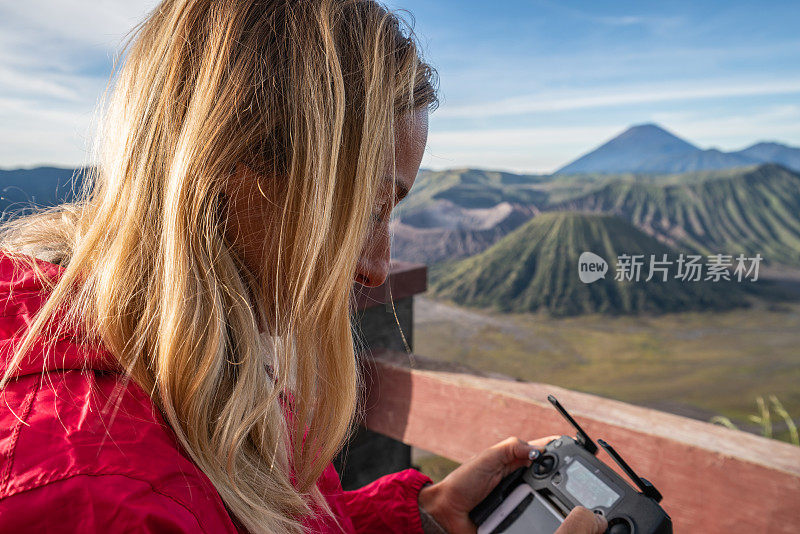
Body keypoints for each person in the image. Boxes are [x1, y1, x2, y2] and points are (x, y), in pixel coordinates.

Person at [0, 1, 607, 533]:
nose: (376, 269)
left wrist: (418, 519)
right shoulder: (100, 498)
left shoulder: (199, 375)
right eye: (364, 210)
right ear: (227, 170)